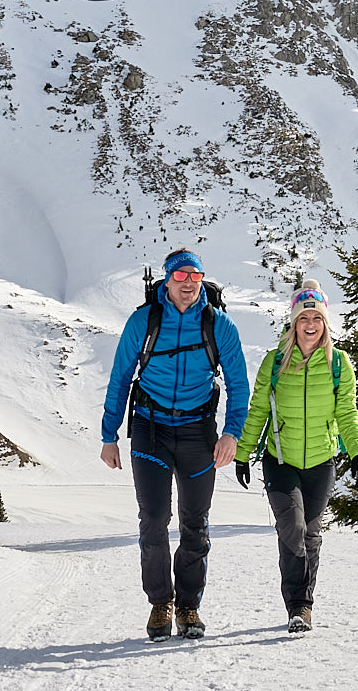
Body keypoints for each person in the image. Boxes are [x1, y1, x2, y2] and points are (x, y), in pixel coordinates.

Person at [100, 249, 250, 642]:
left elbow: (239, 386)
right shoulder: (143, 321)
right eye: (180, 276)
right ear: (166, 280)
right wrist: (108, 436)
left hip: (199, 432)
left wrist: (231, 433)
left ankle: (188, 606)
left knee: (195, 524)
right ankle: (160, 603)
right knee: (153, 519)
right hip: (150, 429)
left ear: (202, 281)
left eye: (194, 277)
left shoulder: (219, 326)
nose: (187, 283)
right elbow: (119, 379)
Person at [234, 278, 358, 633]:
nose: (310, 325)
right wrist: (243, 454)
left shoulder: (338, 364)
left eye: (317, 318)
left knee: (310, 532)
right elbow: (258, 410)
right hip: (281, 459)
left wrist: (357, 453)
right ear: (294, 323)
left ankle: (303, 606)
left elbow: (347, 413)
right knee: (291, 528)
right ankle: (297, 605)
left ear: (325, 324)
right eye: (304, 318)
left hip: (322, 461)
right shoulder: (274, 363)